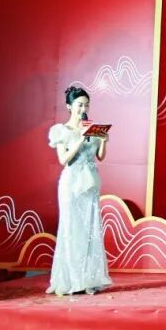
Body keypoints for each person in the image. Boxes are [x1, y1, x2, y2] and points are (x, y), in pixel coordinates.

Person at [46, 86, 112, 296]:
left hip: (90, 184)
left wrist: (103, 141)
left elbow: (99, 156)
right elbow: (64, 160)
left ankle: (88, 279)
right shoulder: (61, 130)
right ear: (69, 106)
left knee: (89, 231)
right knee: (71, 230)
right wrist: (81, 139)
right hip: (71, 185)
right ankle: (70, 281)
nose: (83, 108)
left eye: (86, 105)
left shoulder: (92, 128)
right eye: (79, 105)